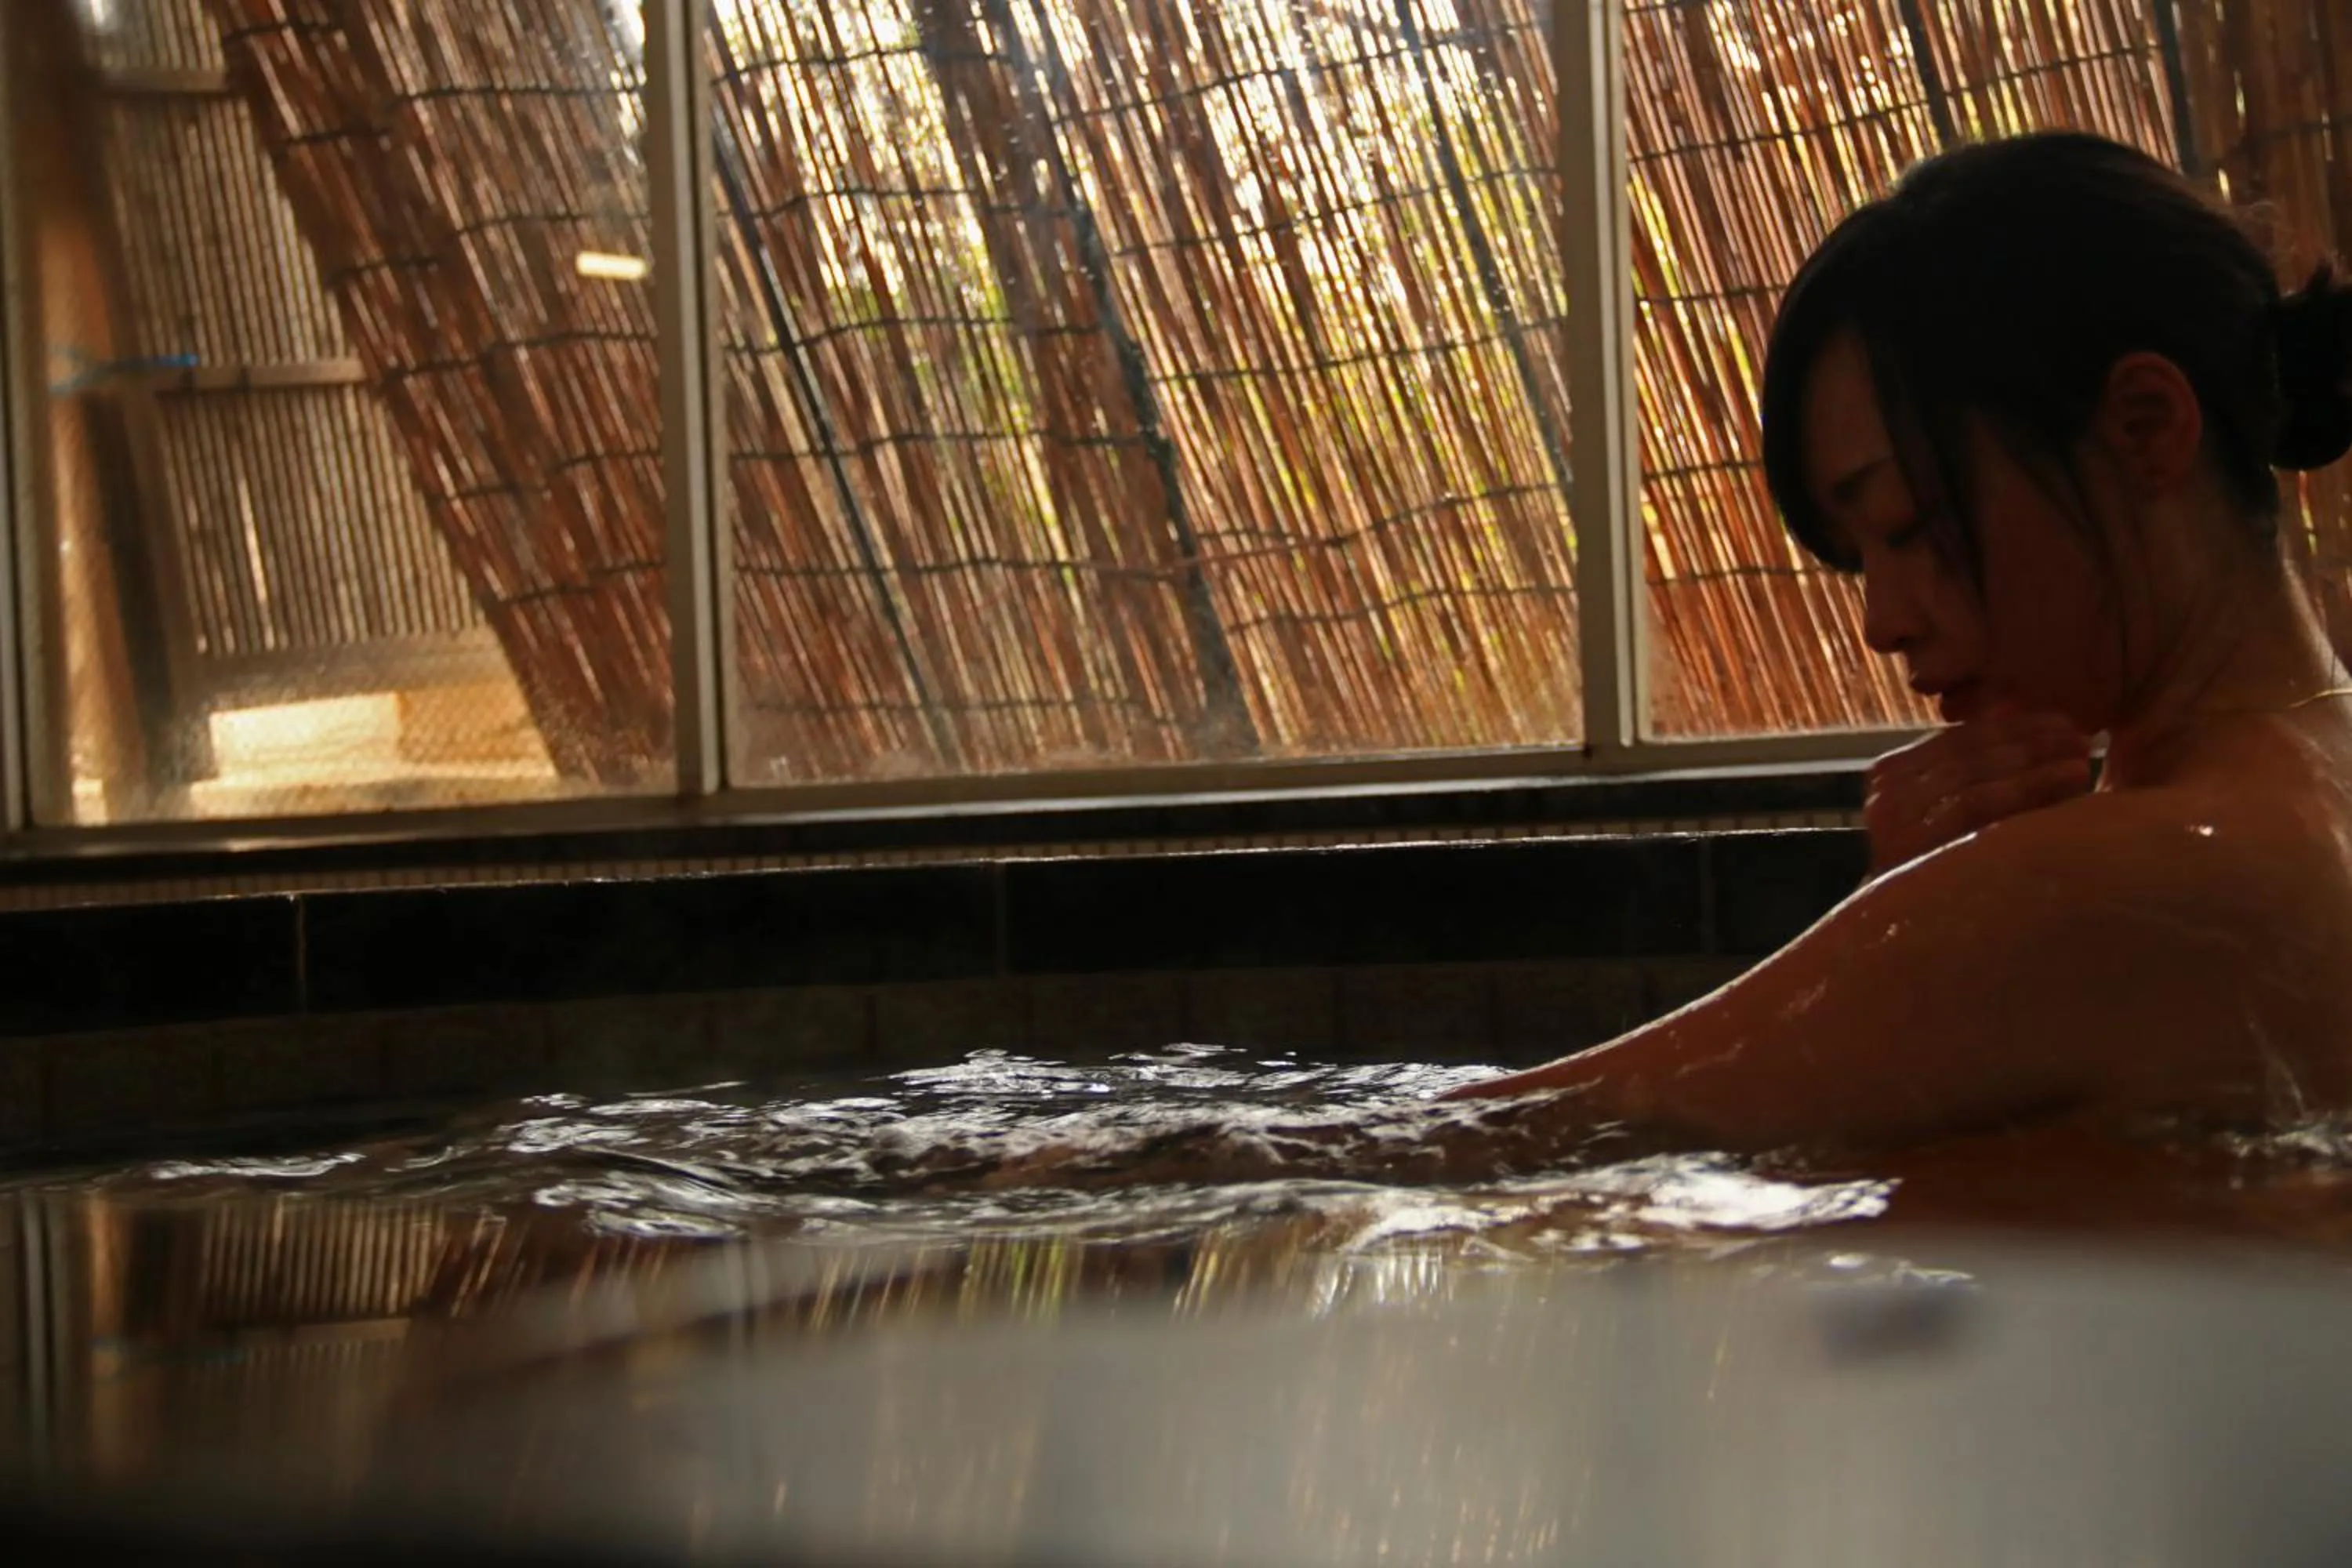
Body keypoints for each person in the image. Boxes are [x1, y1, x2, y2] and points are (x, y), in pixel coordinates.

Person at [1443, 131, 2352, 1152]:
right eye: (1861, 556)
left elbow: (1479, 1149)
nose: (1883, 621)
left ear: (2144, 427)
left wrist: (1924, 921)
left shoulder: (2123, 885)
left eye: (1909, 524)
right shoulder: (2307, 793)